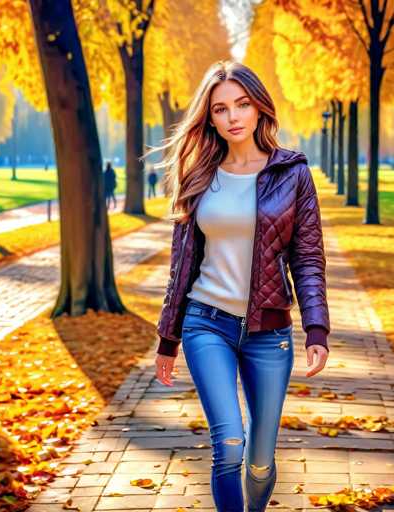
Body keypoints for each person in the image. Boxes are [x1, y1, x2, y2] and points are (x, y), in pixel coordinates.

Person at [142, 60, 330, 512]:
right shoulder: (198, 177)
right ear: (209, 118)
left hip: (270, 334)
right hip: (206, 324)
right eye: (221, 109)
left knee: (260, 462)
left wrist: (317, 328)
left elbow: (307, 258)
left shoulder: (293, 174)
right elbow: (182, 265)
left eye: (242, 105)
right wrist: (168, 338)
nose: (233, 117)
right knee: (228, 444)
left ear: (259, 107)